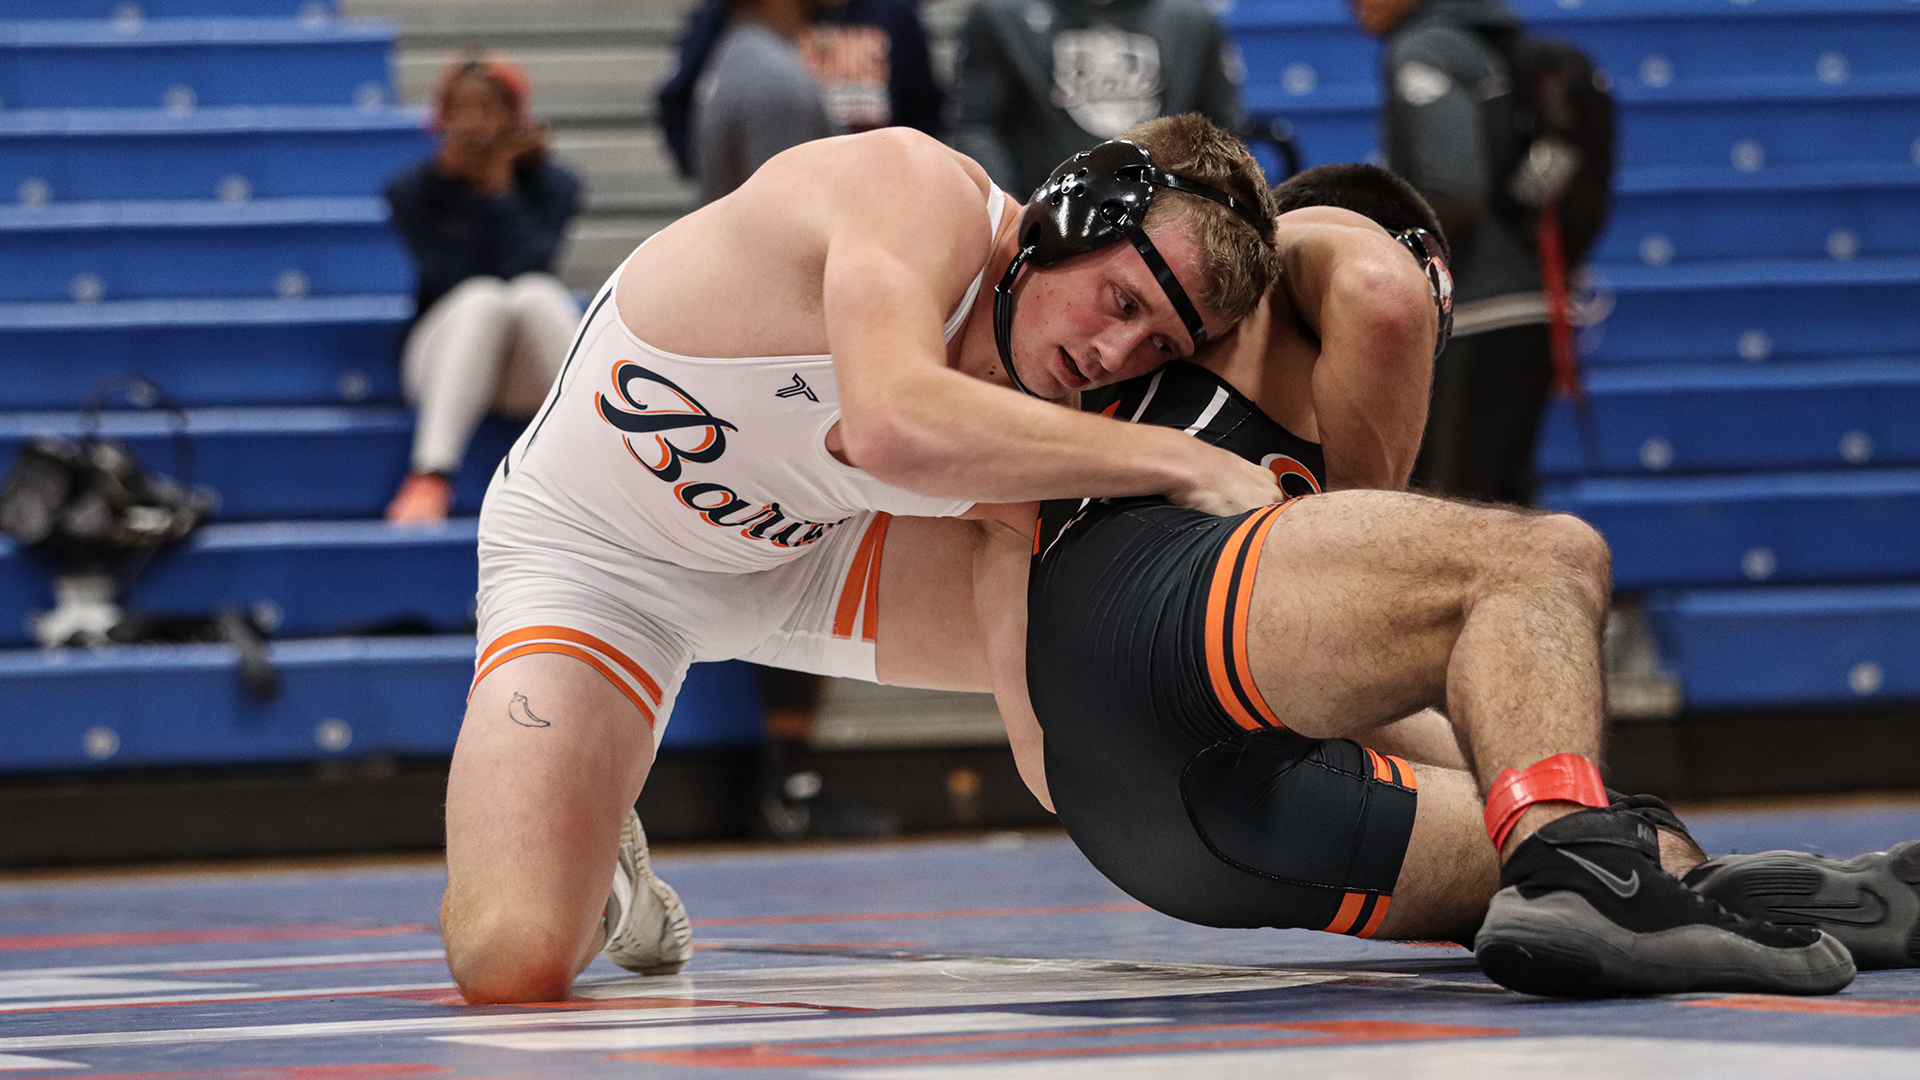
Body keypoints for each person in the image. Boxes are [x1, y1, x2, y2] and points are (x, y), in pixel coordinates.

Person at [970, 162, 1874, 997]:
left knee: (1557, 846)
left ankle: (1678, 878)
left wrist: (1607, 817)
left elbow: (1030, 663)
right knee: (1540, 558)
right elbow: (1381, 293)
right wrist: (1368, 503)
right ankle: (1599, 869)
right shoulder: (1323, 246)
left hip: (1149, 822)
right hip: (1156, 649)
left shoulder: (1120, 385)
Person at [441, 115, 1284, 1004]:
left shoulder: (1049, 376)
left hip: (813, 550)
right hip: (592, 563)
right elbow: (894, 424)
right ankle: (605, 877)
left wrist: (1053, 761)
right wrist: (1189, 459)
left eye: (1160, 346)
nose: (1114, 357)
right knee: (511, 961)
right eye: (1122, 302)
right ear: (1070, 214)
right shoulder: (912, 189)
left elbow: (1012, 528)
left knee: (1186, 638)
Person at [1353, 0, 1554, 505]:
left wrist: (1374, 239)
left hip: (1473, 311)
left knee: (1452, 519)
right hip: (1524, 300)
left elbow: (1454, 188)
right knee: (1499, 515)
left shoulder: (1426, 48)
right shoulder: (1483, 38)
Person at [383, 56, 583, 524]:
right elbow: (450, 274)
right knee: (483, 298)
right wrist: (470, 190)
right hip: (441, 364)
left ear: (516, 117)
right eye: (461, 110)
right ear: (441, 117)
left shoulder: (555, 185)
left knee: (534, 292)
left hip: (523, 374)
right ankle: (430, 473)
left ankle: (609, 461)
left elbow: (531, 263)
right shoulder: (412, 191)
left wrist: (500, 190)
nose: (474, 125)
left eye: (488, 110)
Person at [950, 0, 1245, 200]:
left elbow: (1221, 133)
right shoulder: (1001, 14)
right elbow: (977, 126)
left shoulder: (1190, 19)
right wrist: (1011, 211)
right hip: (1042, 215)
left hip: (1163, 219)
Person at [658, 0, 944, 181]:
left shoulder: (894, 13)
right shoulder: (769, 74)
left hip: (871, 195)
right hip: (812, 207)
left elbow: (924, 112)